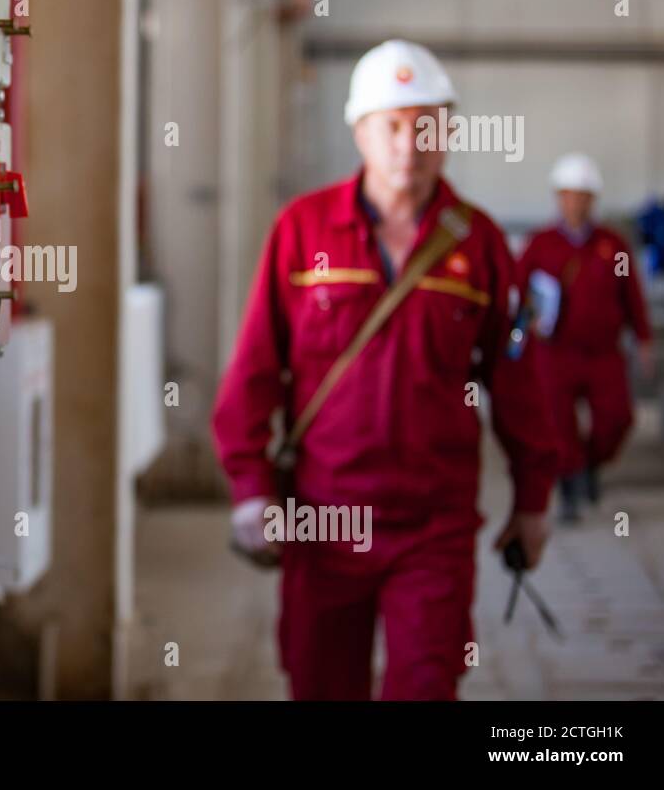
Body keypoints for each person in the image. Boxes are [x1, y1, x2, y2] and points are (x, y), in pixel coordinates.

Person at [212, 39, 562, 700]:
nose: (411, 144)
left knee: (426, 686)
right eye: (393, 126)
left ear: (448, 133)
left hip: (435, 525)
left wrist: (534, 499)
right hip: (323, 520)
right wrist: (251, 485)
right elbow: (256, 368)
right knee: (322, 685)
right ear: (360, 132)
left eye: (427, 126)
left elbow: (519, 382)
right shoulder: (303, 231)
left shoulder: (479, 243)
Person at [518, 153, 654, 523]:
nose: (574, 202)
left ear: (593, 199)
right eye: (567, 194)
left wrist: (642, 339)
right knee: (557, 424)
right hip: (554, 351)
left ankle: (589, 465)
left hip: (603, 353)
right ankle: (570, 488)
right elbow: (518, 294)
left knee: (616, 419)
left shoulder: (613, 244)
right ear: (557, 198)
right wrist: (518, 335)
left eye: (581, 195)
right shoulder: (540, 244)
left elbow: (632, 295)